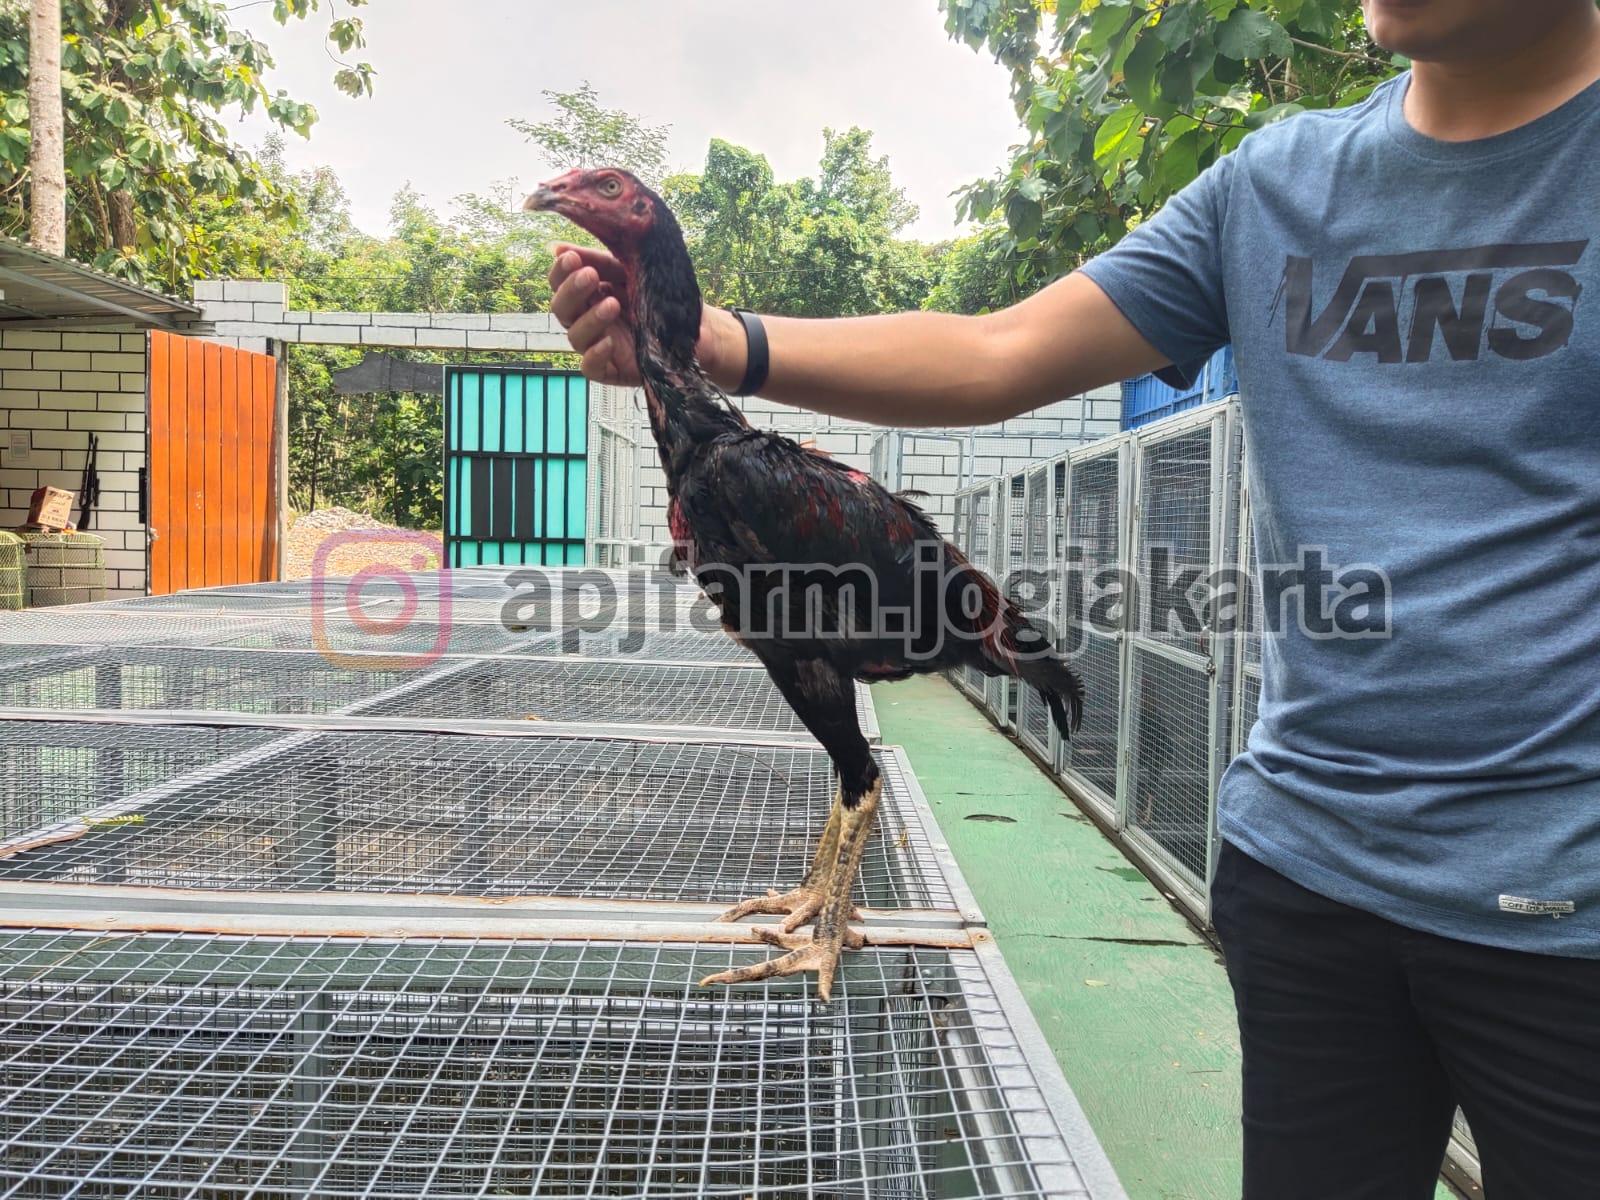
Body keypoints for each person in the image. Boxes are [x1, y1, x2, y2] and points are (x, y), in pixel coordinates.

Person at [548, 2, 1600, 1196]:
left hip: (1567, 902)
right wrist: (693, 341)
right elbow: (998, 352)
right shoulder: (1276, 182)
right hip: (1304, 868)